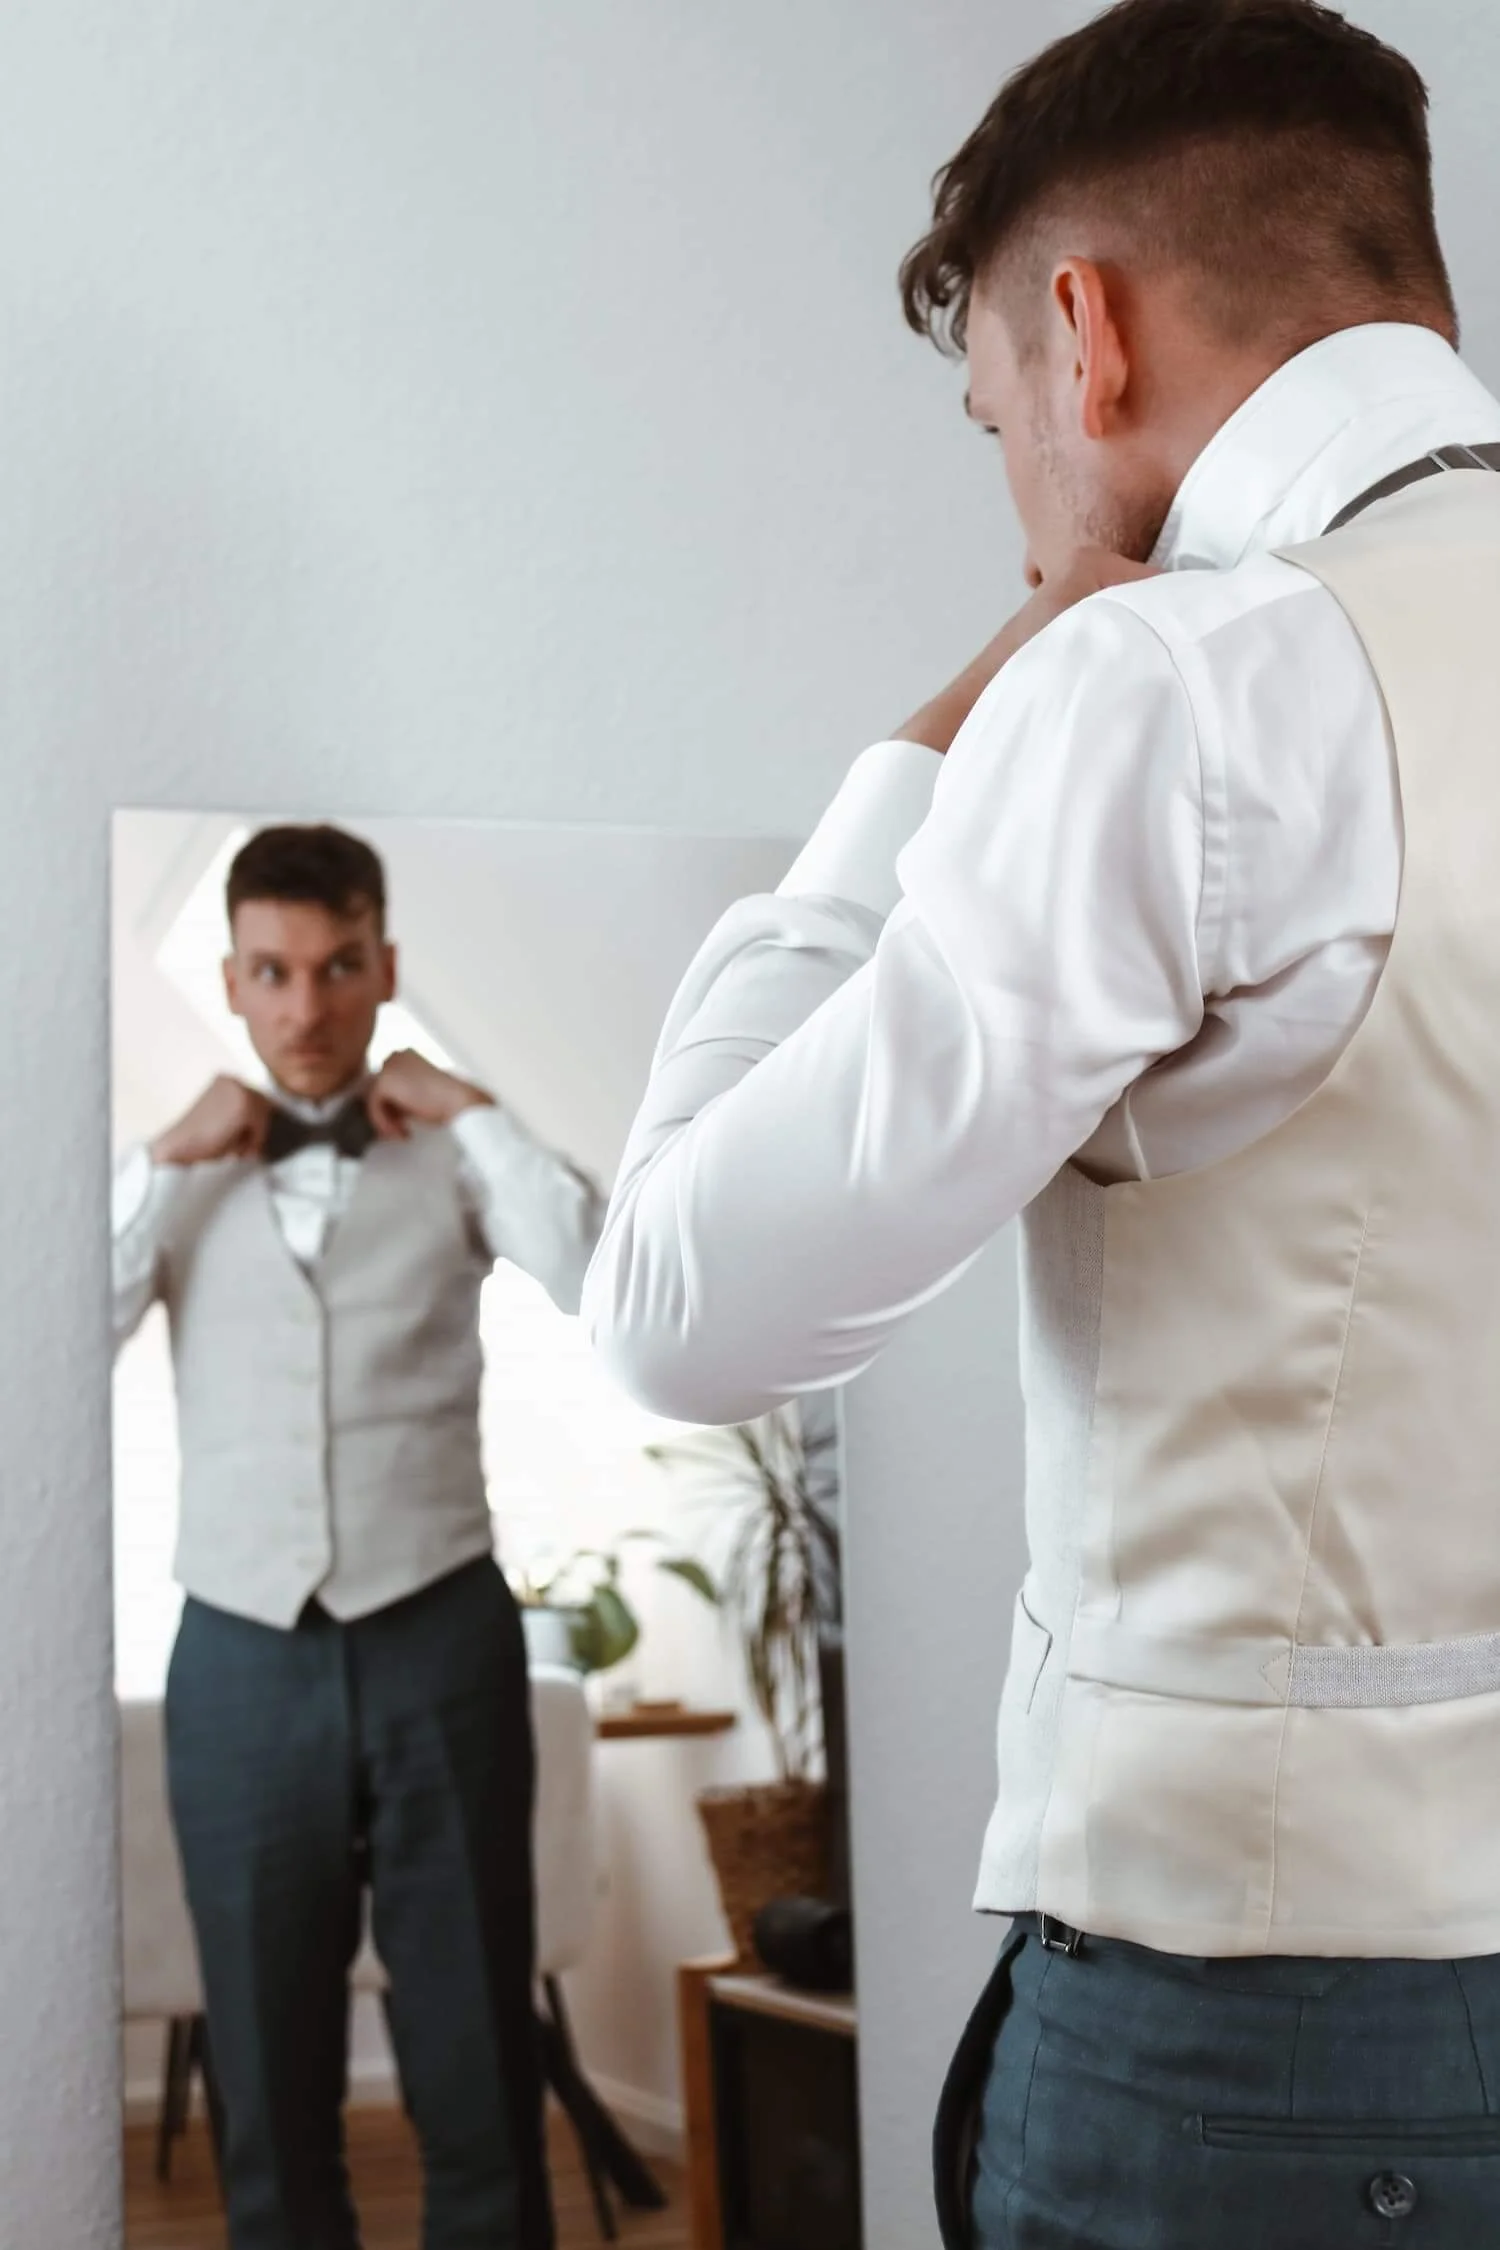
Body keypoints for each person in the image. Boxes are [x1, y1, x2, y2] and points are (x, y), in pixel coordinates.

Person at [581, 2, 1500, 2241]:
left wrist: (915, 755)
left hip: (1257, 2038)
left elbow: (687, 1309)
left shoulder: (1171, 682)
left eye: (998, 421)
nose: (1020, 536)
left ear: (1084, 333)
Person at [114, 823, 604, 2250]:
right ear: (233, 979)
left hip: (440, 1631)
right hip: (239, 1658)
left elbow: (598, 1275)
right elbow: (43, 1349)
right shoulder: (181, 1177)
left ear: (384, 966)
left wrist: (480, 1107)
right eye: (272, 972)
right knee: (265, 2096)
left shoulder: (454, 1160)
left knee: (477, 2067)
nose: (308, 1008)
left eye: (338, 968)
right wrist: (155, 1162)